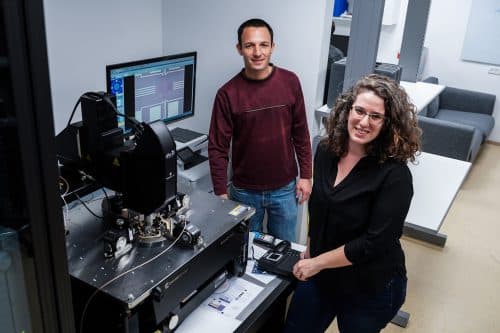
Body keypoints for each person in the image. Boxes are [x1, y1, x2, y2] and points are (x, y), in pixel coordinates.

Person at [284, 74, 421, 333]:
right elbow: (319, 208)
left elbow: (374, 243)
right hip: (323, 273)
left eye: (375, 116)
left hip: (370, 286)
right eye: (359, 110)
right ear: (348, 110)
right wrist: (311, 249)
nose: (364, 122)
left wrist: (317, 263)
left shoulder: (395, 175)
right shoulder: (326, 150)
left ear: (388, 123)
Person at [208, 18, 312, 242]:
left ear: (272, 47)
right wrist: (220, 192)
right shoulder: (227, 94)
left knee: (284, 251)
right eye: (249, 45)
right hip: (244, 192)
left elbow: (301, 132)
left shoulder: (290, 82)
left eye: (264, 45)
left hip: (285, 189)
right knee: (244, 251)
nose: (257, 52)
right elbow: (217, 147)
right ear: (239, 49)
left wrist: (306, 175)